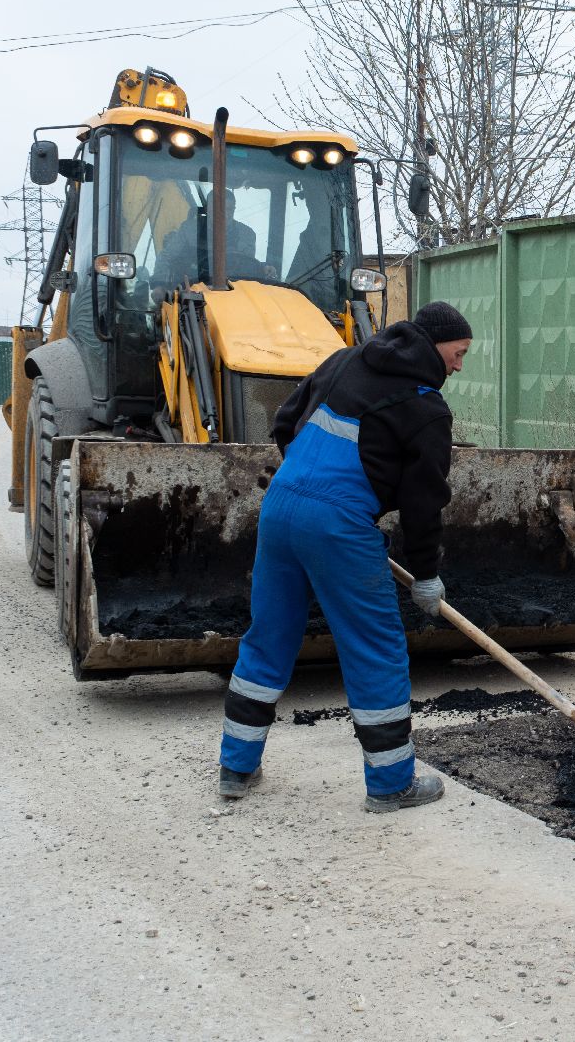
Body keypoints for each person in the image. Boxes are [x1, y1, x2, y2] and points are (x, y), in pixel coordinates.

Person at [217, 301, 474, 812]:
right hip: (337, 526)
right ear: (435, 344)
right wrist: (426, 573)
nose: (460, 365)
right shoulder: (426, 408)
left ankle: (235, 768)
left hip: (282, 505)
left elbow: (285, 421)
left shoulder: (344, 360)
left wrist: (302, 481)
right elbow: (425, 503)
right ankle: (391, 784)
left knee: (268, 637)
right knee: (374, 647)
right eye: (459, 352)